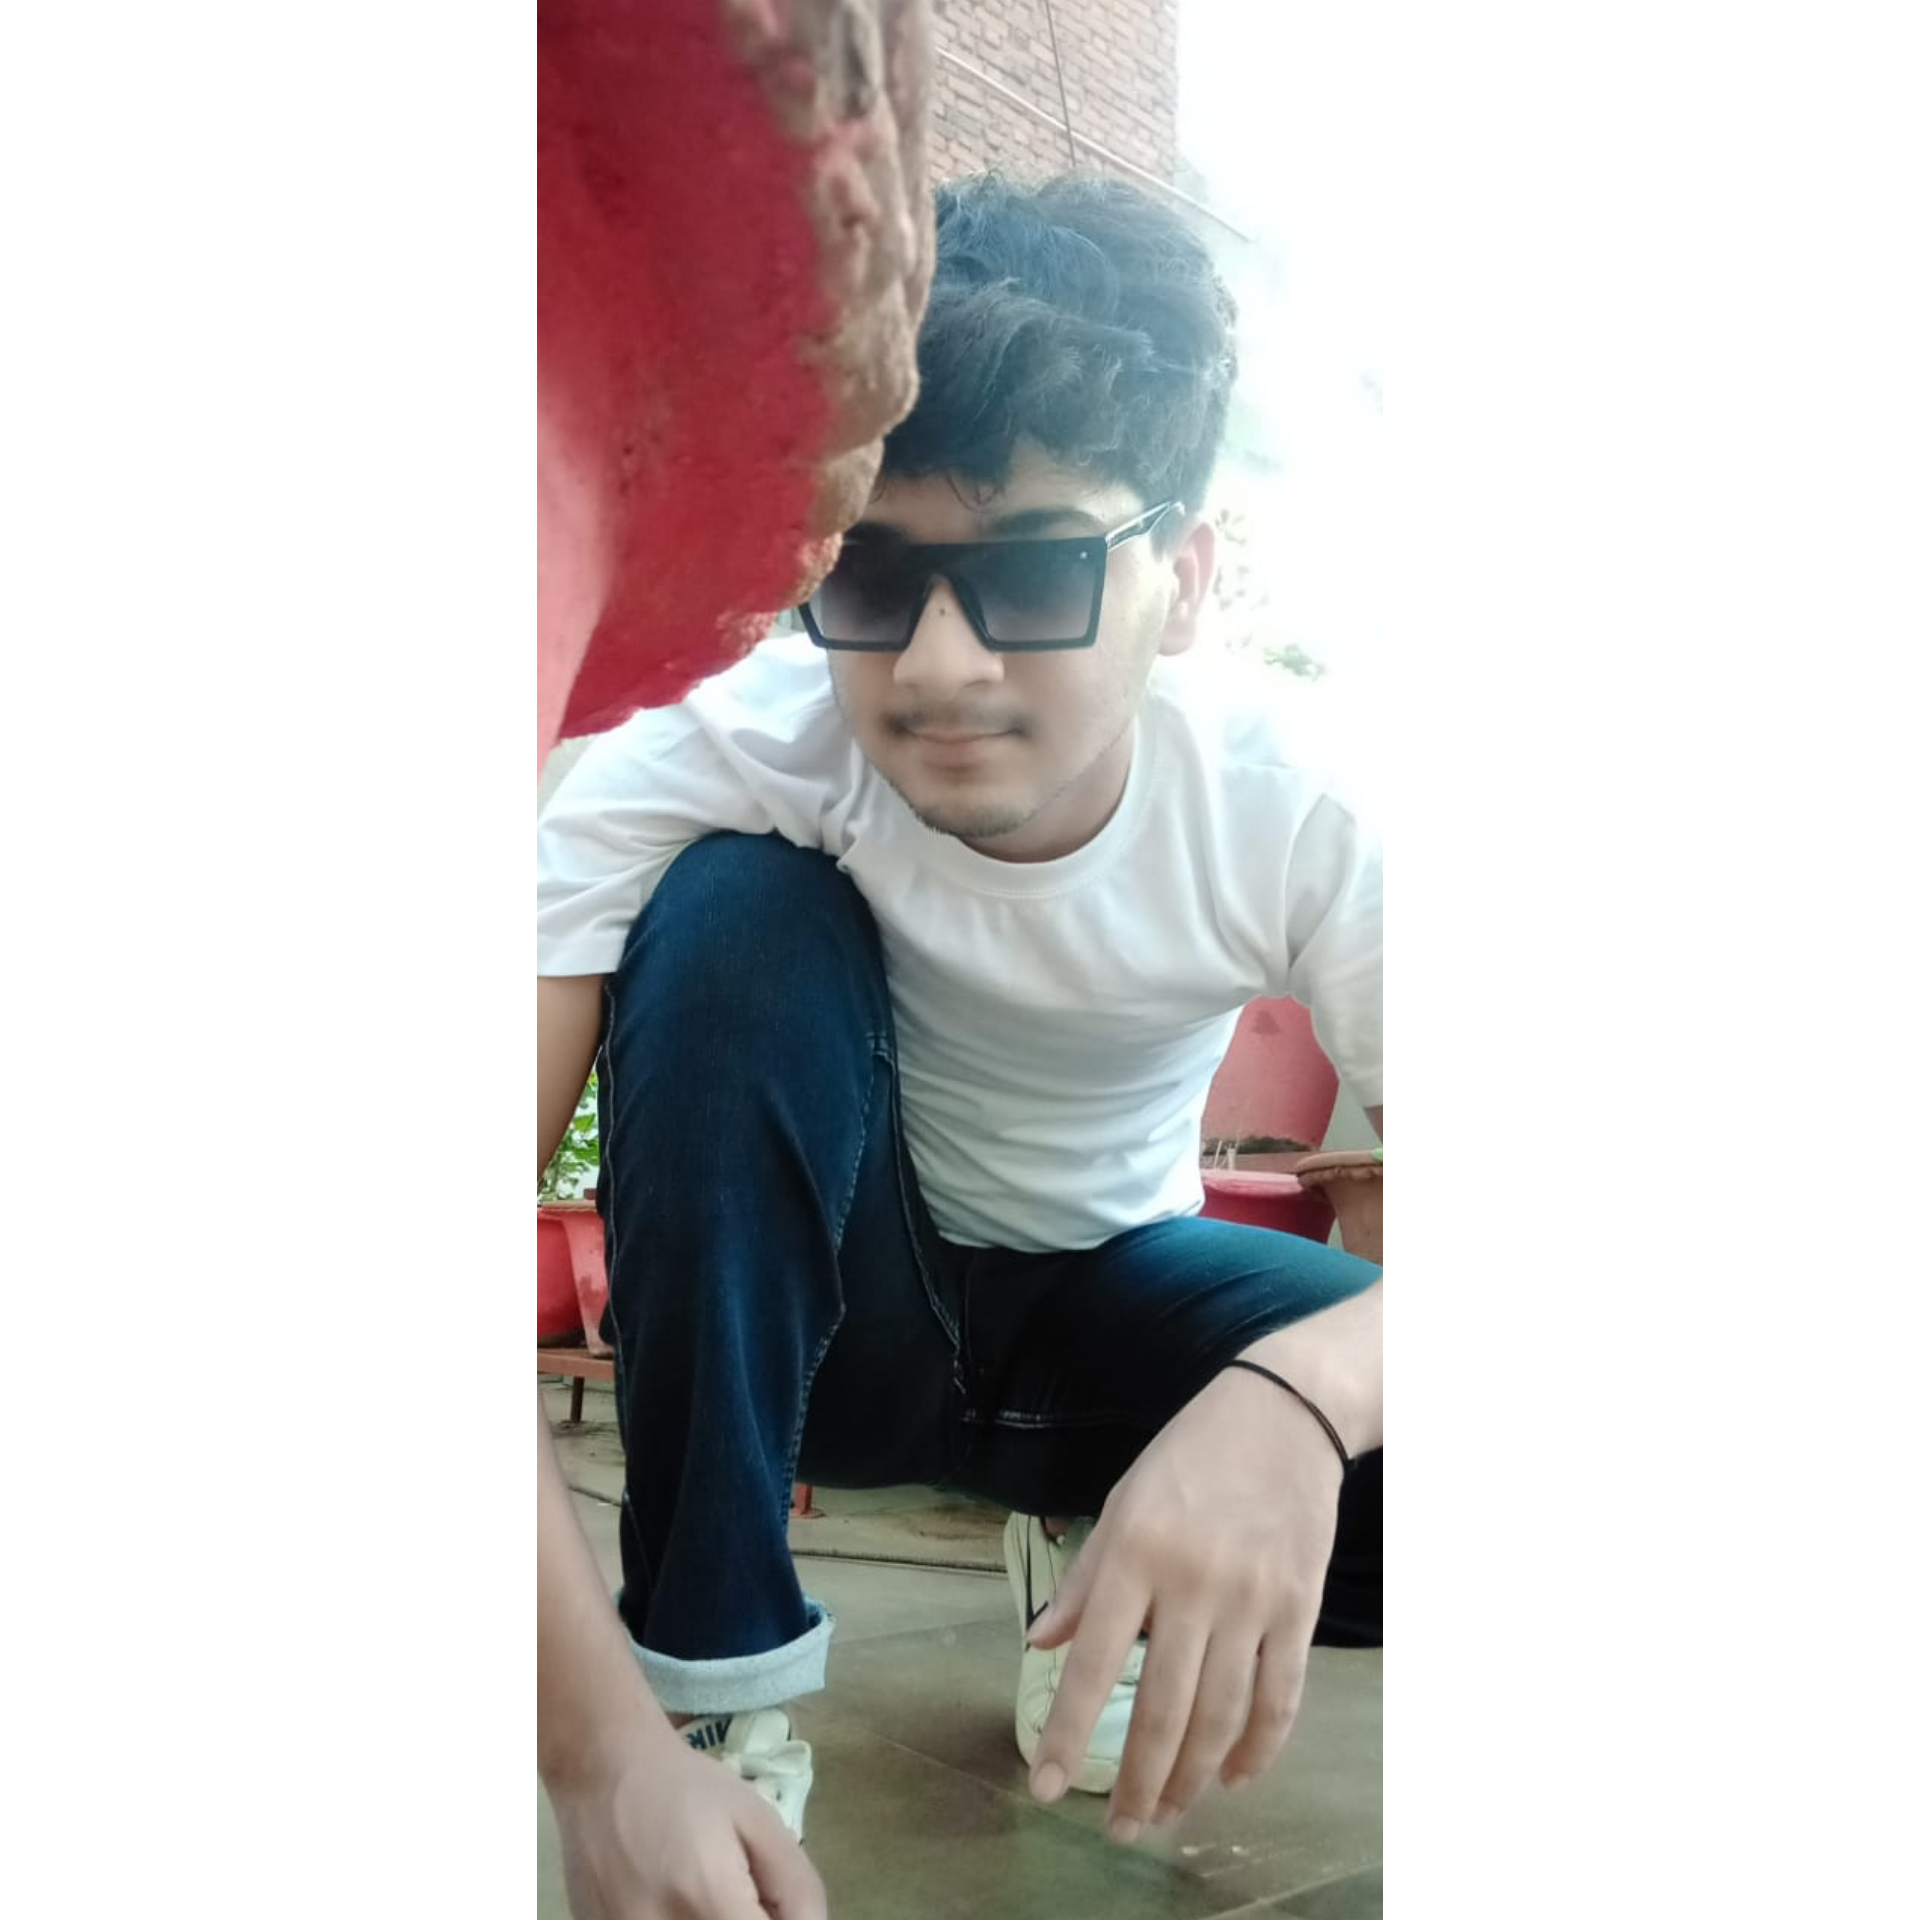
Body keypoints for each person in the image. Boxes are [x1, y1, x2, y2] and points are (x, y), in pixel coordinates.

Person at [536, 170, 1384, 1864]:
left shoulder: (1296, 809)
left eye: (1038, 569)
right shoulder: (723, 744)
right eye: (867, 572)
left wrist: (1291, 1400)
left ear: (1186, 579)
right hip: (844, 1326)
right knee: (735, 911)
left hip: (1121, 1307)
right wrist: (602, 1756)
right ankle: (709, 1683)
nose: (934, 667)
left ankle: (1093, 1526)